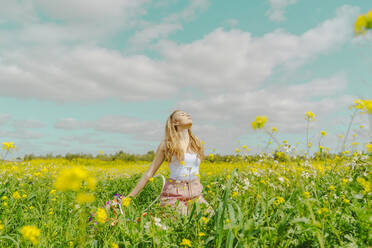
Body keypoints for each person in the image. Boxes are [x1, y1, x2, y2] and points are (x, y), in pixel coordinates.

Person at [125, 110, 214, 217]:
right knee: (183, 221)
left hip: (195, 194)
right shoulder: (167, 145)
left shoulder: (196, 143)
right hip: (173, 195)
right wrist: (129, 197)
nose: (188, 115)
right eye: (183, 115)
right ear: (175, 123)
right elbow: (149, 173)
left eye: (187, 114)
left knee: (211, 217)